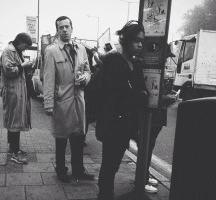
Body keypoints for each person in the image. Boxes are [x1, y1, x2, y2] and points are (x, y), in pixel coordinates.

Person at [95, 20, 148, 199]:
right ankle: (104, 196)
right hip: (112, 123)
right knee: (109, 166)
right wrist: (141, 96)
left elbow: (140, 91)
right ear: (126, 41)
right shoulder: (115, 62)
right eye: (136, 40)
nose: (140, 44)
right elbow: (122, 95)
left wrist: (144, 95)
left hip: (125, 123)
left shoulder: (136, 64)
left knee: (114, 164)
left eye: (142, 40)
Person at [43, 16, 94, 183]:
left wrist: (86, 78)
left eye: (67, 27)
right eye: (61, 27)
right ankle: (61, 170)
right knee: (61, 138)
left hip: (79, 99)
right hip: (62, 101)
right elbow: (48, 78)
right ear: (57, 31)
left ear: (72, 28)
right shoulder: (51, 51)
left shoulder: (81, 49)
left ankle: (78, 170)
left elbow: (87, 70)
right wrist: (48, 104)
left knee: (79, 137)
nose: (64, 30)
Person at [143, 44, 176, 193]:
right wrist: (166, 98)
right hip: (152, 115)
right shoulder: (150, 69)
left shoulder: (159, 69)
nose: (167, 60)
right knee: (147, 147)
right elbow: (149, 94)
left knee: (149, 146)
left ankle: (145, 173)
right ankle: (142, 178)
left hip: (158, 116)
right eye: (166, 57)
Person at [0, 32, 34, 164]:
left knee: (15, 121)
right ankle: (15, 153)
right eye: (25, 46)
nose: (25, 48)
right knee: (15, 122)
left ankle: (13, 148)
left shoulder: (16, 51)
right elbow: (8, 70)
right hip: (13, 91)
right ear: (19, 41)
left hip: (18, 91)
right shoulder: (9, 51)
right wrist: (23, 66)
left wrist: (25, 66)